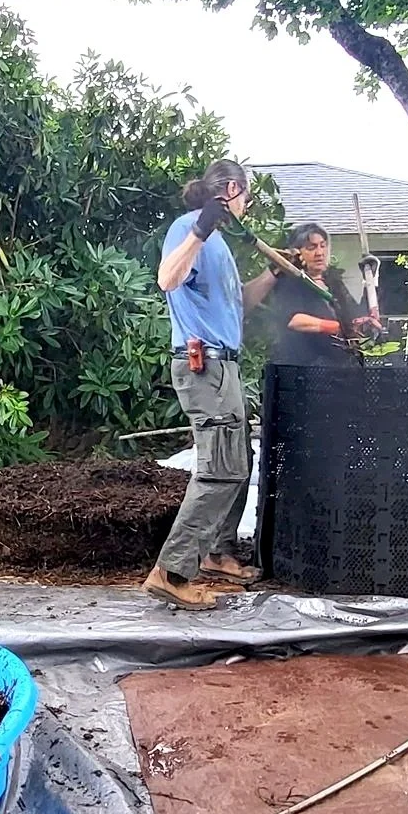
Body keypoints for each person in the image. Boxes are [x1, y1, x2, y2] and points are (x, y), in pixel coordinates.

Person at [144, 159, 263, 611]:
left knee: (238, 461)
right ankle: (172, 572)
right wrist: (200, 229)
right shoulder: (190, 228)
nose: (246, 206)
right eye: (246, 197)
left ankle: (216, 552)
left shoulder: (220, 246)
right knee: (219, 468)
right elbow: (167, 278)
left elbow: (238, 304)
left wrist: (277, 272)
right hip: (204, 366)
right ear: (232, 189)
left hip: (224, 367)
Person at [259, 223, 377, 367]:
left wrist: (370, 280)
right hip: (305, 367)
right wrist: (337, 327)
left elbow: (353, 317)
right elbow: (293, 320)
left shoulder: (333, 283)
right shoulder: (291, 281)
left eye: (323, 245)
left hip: (340, 368)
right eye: (311, 247)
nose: (319, 253)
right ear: (297, 253)